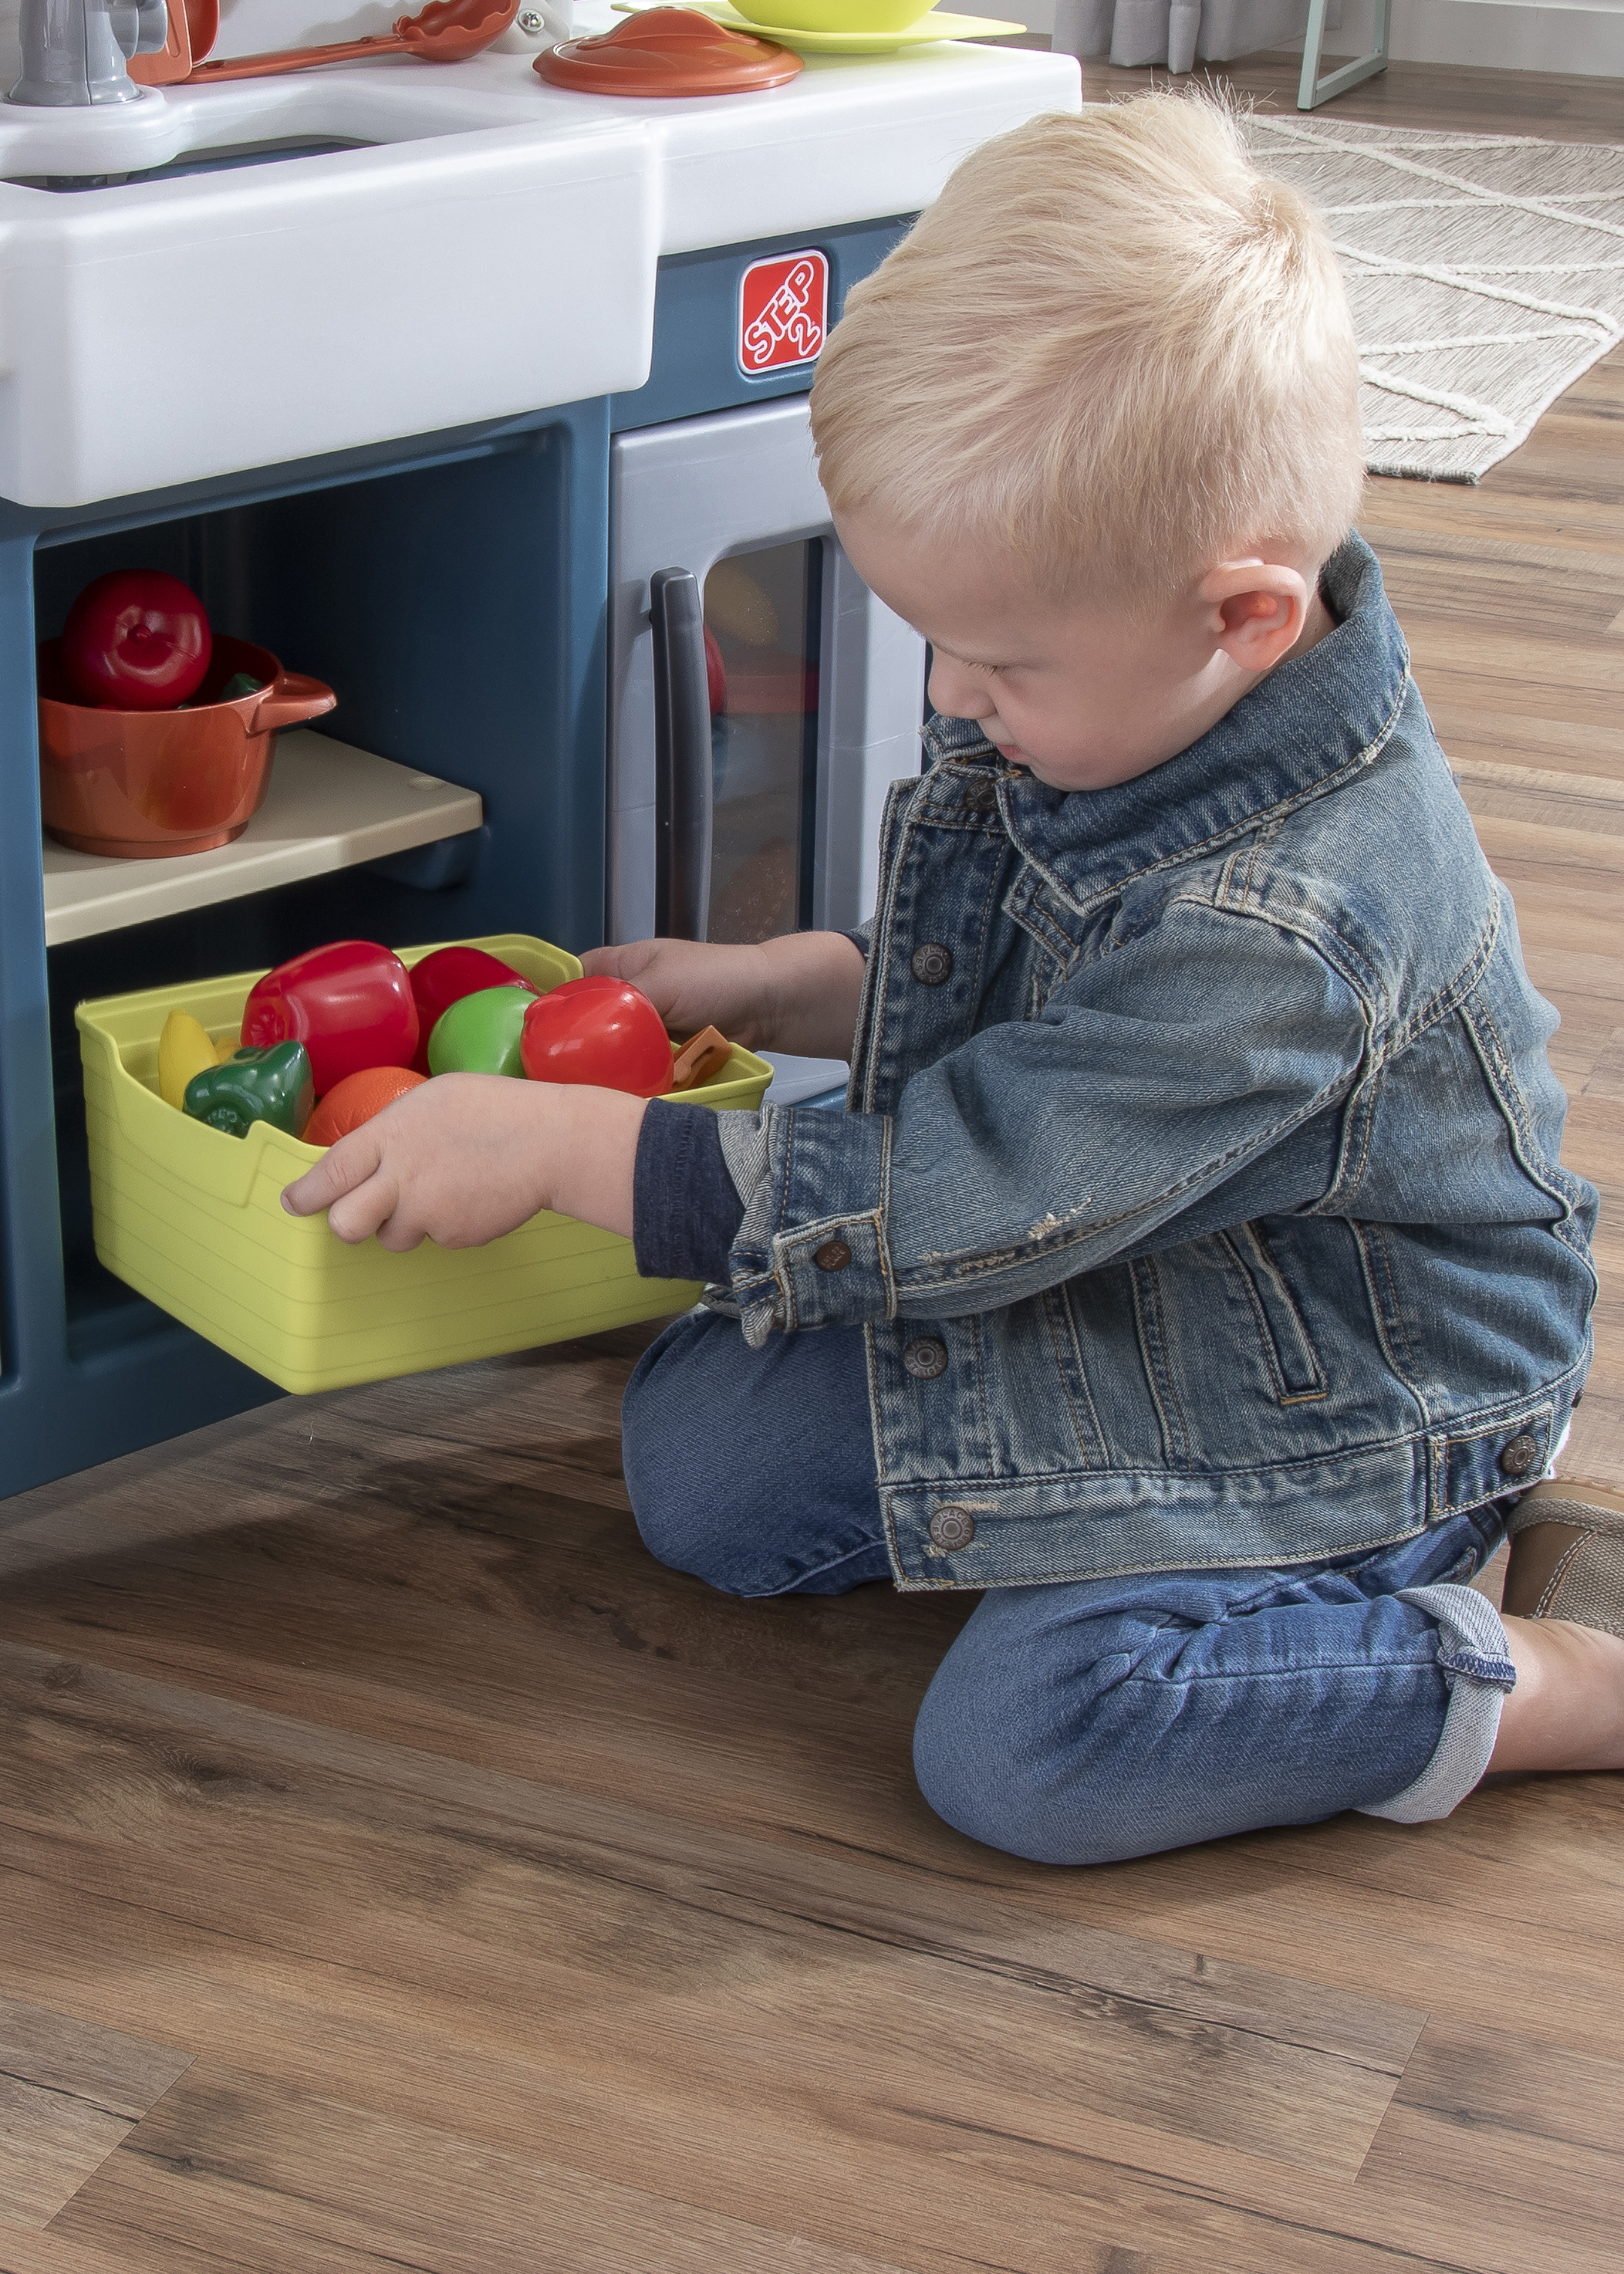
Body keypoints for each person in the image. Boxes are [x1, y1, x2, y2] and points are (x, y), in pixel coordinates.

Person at [282, 93, 1611, 1865]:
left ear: (1240, 616)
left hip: (1363, 1380)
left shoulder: (1285, 925)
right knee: (702, 1459)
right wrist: (789, 982)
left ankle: (1545, 1666)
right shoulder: (1138, 696)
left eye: (993, 657)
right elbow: (1041, 1008)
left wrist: (555, 1151)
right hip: (1143, 1255)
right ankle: (1121, 1531)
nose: (953, 691)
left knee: (1029, 1750)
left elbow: (978, 1185)